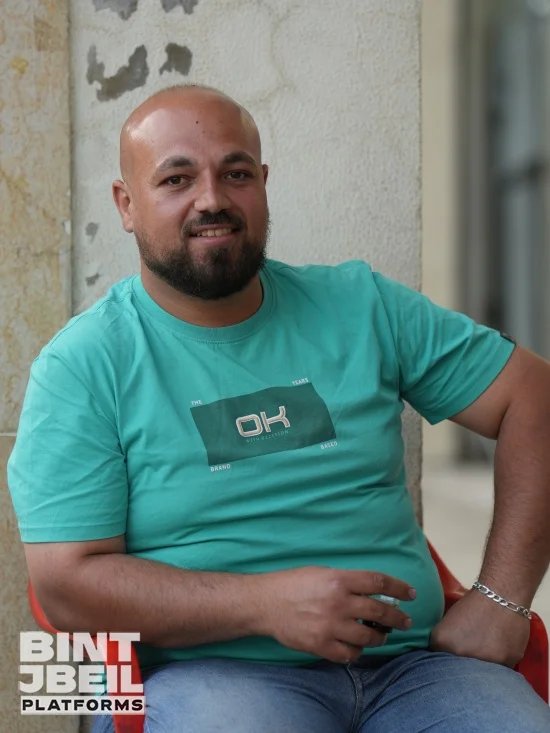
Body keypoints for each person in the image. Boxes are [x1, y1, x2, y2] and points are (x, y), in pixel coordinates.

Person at [8, 84, 550, 732]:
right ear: (126, 205)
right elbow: (65, 589)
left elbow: (533, 395)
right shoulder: (84, 365)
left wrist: (501, 600)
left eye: (235, 173)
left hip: (416, 670)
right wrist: (264, 605)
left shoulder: (361, 306)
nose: (211, 199)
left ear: (262, 185)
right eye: (177, 179)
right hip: (201, 677)